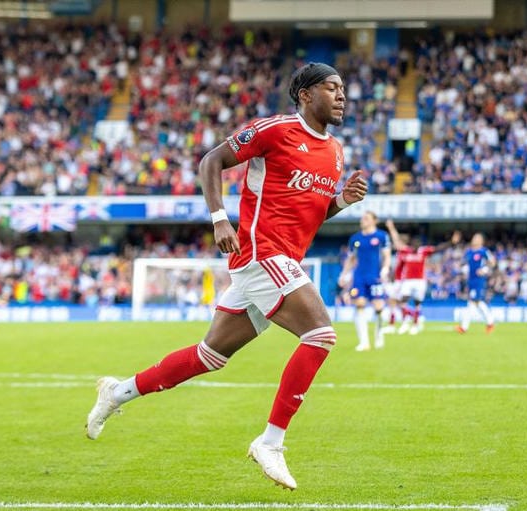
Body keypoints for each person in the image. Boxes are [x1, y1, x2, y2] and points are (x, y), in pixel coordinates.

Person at [85, 62, 368, 490]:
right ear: (306, 95)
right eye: (332, 88)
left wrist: (341, 203)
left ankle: (117, 392)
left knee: (209, 355)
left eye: (343, 88)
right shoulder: (275, 130)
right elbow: (211, 160)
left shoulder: (335, 151)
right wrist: (219, 218)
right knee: (321, 334)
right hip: (259, 252)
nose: (342, 95)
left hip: (285, 258)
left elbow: (310, 215)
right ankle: (271, 441)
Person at [385, 222, 460, 335]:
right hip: (408, 281)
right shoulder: (406, 251)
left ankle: (415, 324)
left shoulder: (424, 251)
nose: (416, 244)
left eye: (418, 243)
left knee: (417, 303)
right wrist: (391, 228)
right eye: (414, 242)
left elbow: (438, 248)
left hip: (420, 281)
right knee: (403, 301)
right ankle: (406, 322)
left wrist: (451, 243)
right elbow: (396, 241)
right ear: (411, 244)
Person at [337, 211, 391, 351]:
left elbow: (387, 255)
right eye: (362, 218)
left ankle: (379, 336)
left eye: (366, 218)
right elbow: (351, 258)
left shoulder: (381, 236)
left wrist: (385, 268)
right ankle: (364, 342)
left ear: (374, 220)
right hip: (359, 276)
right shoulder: (355, 238)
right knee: (359, 305)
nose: (363, 220)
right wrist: (344, 274)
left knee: (378, 307)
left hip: (375, 276)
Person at [455, 233, 496, 334]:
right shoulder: (469, 252)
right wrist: (462, 267)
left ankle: (464, 327)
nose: (474, 239)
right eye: (474, 237)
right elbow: (464, 263)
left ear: (481, 241)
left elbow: (493, 262)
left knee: (473, 302)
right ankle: (490, 323)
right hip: (471, 280)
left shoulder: (484, 251)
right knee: (476, 302)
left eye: (477, 238)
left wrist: (485, 269)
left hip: (479, 280)